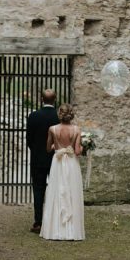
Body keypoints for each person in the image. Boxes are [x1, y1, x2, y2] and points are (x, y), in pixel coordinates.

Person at [40, 103, 85, 241]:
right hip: (71, 163)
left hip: (58, 162)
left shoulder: (52, 129)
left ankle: (55, 230)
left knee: (57, 192)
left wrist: (56, 145)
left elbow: (48, 148)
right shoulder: (76, 129)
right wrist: (83, 147)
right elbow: (77, 152)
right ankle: (71, 231)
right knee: (71, 192)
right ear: (71, 114)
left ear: (59, 114)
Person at [26, 89, 59, 234]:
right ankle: (54, 221)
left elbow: (29, 139)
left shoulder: (33, 116)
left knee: (38, 191)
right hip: (56, 159)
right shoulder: (59, 117)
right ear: (55, 100)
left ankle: (38, 222)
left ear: (41, 99)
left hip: (37, 159)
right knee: (57, 190)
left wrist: (36, 151)